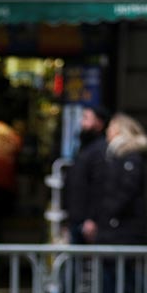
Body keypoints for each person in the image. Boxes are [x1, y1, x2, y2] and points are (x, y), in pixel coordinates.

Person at [85, 112, 147, 293]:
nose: (107, 132)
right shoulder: (115, 155)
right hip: (113, 224)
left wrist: (109, 213)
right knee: (112, 270)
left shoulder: (130, 157)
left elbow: (125, 192)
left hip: (123, 225)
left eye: (112, 128)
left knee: (121, 270)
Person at [66, 105, 109, 248]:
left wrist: (92, 218)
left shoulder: (100, 149)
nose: (82, 123)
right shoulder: (84, 148)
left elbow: (100, 186)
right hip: (77, 218)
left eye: (86, 118)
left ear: (99, 123)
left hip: (88, 222)